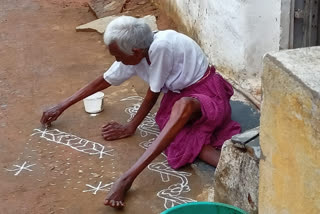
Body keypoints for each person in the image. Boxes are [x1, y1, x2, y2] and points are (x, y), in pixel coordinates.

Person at [40, 16, 241, 208]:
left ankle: (127, 177)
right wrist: (62, 105)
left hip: (207, 95)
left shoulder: (161, 47)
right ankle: (230, 168)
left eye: (118, 55)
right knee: (176, 133)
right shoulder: (136, 52)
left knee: (181, 109)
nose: (117, 59)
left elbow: (152, 94)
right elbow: (105, 79)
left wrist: (131, 126)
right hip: (180, 95)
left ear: (135, 51)